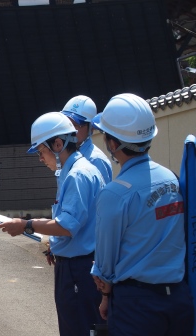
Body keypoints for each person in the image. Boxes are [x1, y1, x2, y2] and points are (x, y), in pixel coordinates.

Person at [90, 93, 194, 335]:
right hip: (179, 299)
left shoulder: (114, 194)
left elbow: (105, 262)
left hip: (137, 306)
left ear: (113, 144)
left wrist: (105, 295)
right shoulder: (172, 179)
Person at [0, 112, 106, 336]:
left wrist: (26, 225)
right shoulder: (74, 172)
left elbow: (67, 226)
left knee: (79, 328)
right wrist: (52, 242)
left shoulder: (77, 175)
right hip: (80, 265)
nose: (40, 159)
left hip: (80, 268)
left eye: (41, 152)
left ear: (58, 144)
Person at [61, 95, 112, 184]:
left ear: (91, 128)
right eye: (68, 123)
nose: (71, 129)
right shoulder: (65, 154)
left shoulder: (96, 160)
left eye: (76, 125)